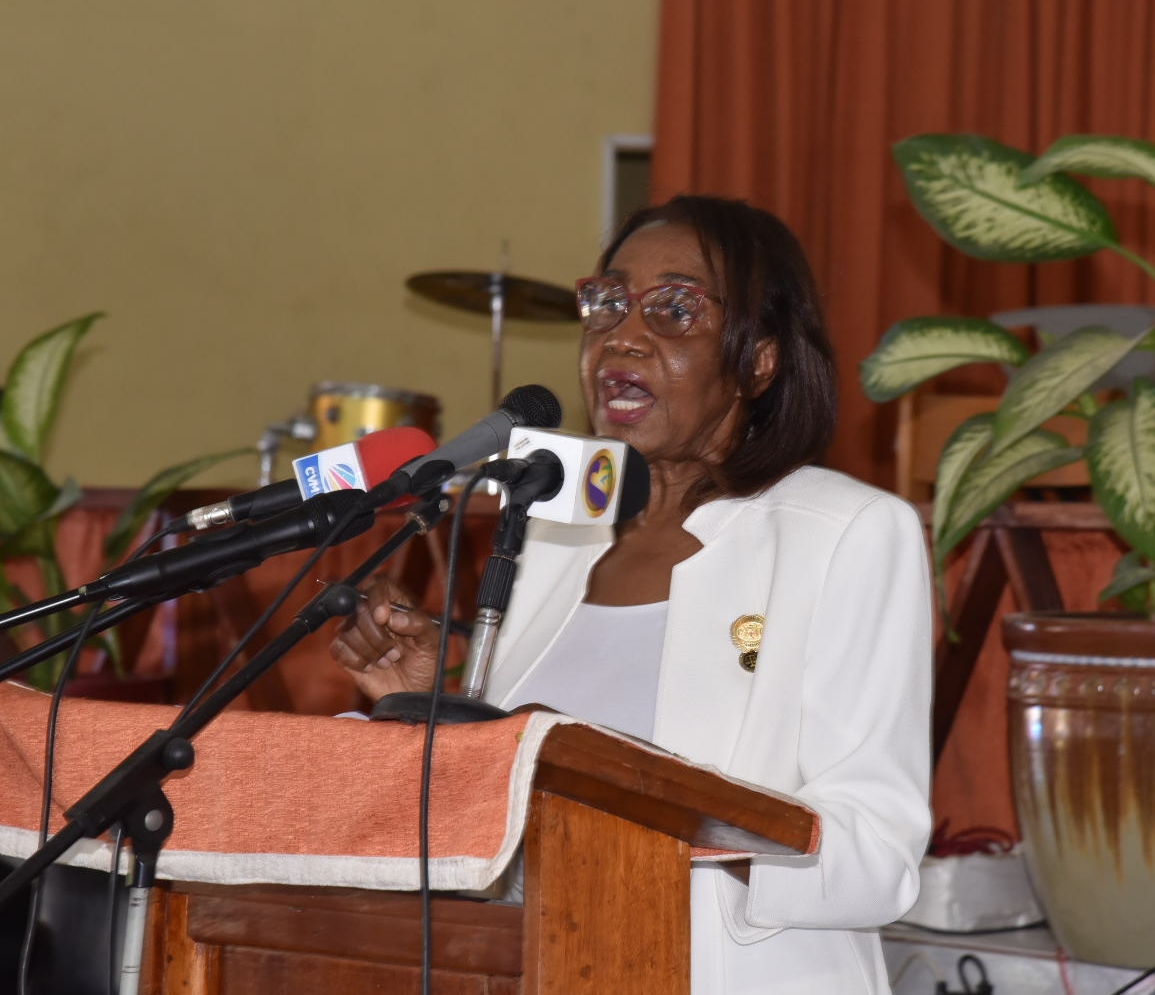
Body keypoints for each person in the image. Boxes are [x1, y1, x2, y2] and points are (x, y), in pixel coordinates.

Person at [330, 195, 933, 993]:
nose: (623, 336)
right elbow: (489, 816)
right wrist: (419, 711)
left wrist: (657, 819)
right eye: (608, 303)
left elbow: (876, 853)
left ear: (758, 360)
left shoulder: (845, 533)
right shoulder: (554, 532)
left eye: (675, 310)